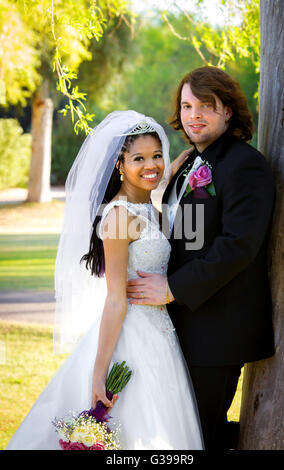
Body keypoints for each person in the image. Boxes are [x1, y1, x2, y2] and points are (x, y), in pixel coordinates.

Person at [6, 110, 203, 450]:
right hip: (131, 339)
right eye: (138, 158)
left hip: (160, 335)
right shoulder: (119, 215)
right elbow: (114, 298)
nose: (150, 165)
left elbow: (161, 179)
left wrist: (190, 156)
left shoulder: (147, 205)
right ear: (119, 165)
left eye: (156, 155)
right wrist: (99, 373)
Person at [127, 67, 276, 450]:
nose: (193, 114)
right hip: (178, 328)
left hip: (217, 333)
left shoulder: (246, 166)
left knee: (201, 435)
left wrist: (173, 287)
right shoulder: (188, 166)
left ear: (228, 111)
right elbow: (188, 239)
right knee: (177, 435)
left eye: (206, 106)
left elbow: (238, 245)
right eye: (187, 105)